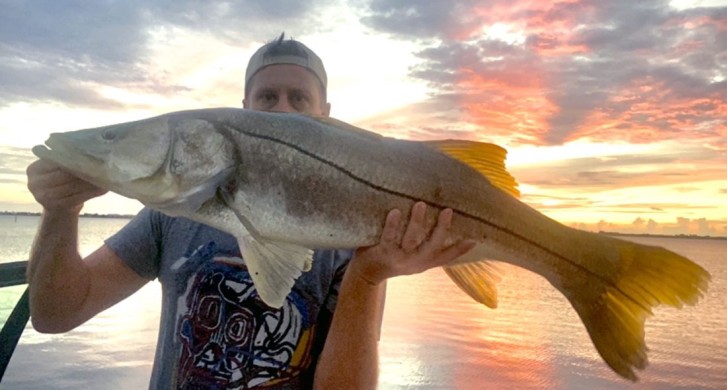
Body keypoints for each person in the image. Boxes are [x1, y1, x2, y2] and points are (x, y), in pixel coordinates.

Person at [25, 34, 475, 389]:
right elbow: (56, 313)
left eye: (299, 100)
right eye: (267, 98)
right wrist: (61, 211)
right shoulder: (172, 214)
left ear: (328, 116)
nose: (281, 110)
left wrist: (368, 275)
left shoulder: (355, 241)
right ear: (243, 112)